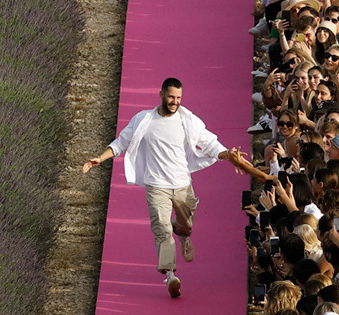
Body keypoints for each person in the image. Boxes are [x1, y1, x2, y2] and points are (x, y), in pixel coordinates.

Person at [79, 77, 247, 297]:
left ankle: (184, 233)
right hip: (157, 186)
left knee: (185, 223)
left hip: (182, 184)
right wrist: (100, 158)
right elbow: (122, 142)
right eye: (171, 97)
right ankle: (170, 275)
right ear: (161, 95)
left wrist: (227, 155)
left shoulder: (187, 120)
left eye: (178, 98)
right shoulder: (143, 120)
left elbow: (209, 142)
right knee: (162, 229)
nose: (174, 102)